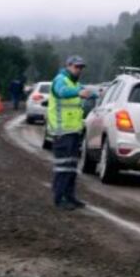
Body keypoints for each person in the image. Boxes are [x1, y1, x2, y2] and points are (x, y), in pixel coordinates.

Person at [48, 55, 94, 210]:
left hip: (74, 132)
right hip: (62, 132)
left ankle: (70, 196)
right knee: (63, 167)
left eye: (81, 67)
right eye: (76, 67)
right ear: (68, 66)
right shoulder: (60, 80)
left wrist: (95, 94)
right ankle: (59, 198)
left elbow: (87, 94)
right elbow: (62, 92)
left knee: (72, 167)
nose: (79, 70)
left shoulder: (76, 83)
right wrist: (78, 92)